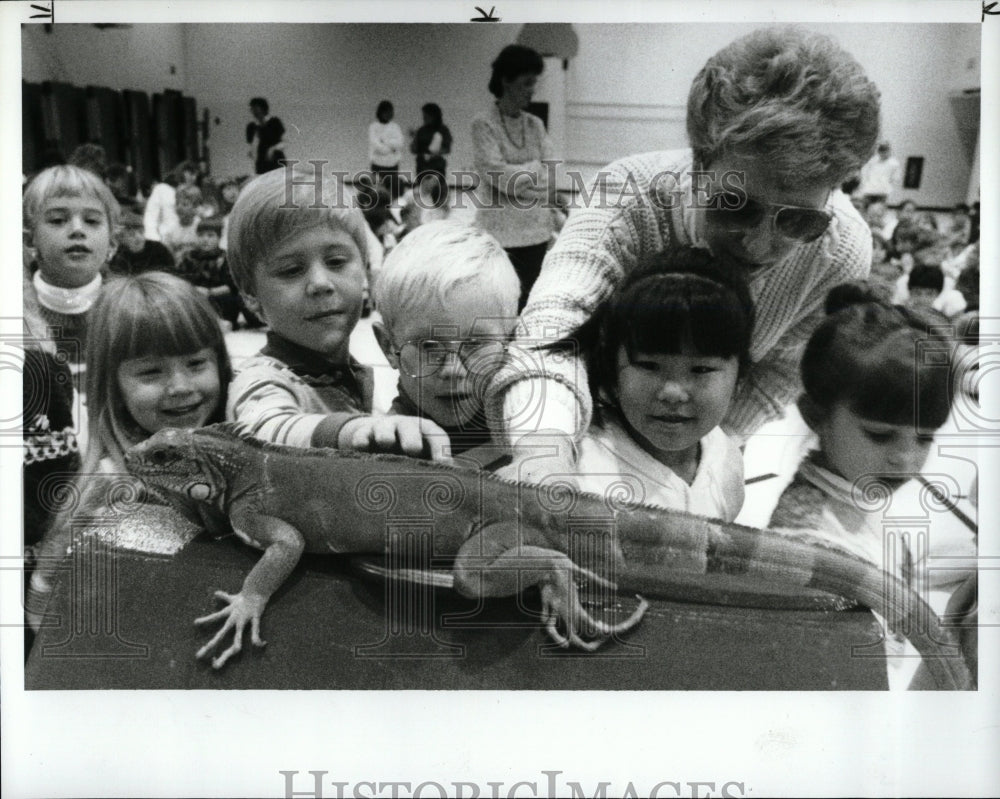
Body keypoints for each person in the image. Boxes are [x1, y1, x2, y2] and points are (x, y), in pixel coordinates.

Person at [487, 27, 881, 482]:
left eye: (797, 222)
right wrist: (546, 452)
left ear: (832, 193)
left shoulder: (842, 252)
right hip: (583, 435)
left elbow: (774, 377)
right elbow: (555, 329)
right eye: (734, 206)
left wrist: (704, 462)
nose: (757, 245)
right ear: (698, 167)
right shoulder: (624, 197)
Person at [26, 271, 232, 635]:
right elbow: (45, 612)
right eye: (151, 372)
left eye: (196, 363)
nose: (181, 387)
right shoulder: (109, 489)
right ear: (113, 387)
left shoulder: (231, 457)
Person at [225, 165, 449, 458]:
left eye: (336, 261)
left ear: (365, 270)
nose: (320, 283)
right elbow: (266, 428)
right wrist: (354, 431)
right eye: (292, 270)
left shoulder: (346, 374)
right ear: (251, 295)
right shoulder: (259, 380)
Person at [572, 247, 752, 522]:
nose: (672, 392)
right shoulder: (580, 467)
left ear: (739, 380)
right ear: (612, 369)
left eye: (701, 369)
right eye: (649, 365)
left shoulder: (726, 460)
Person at [373, 220, 519, 456]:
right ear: (389, 347)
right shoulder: (383, 453)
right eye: (429, 346)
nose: (452, 369)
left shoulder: (532, 434)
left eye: (474, 344)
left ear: (512, 340)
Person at [471, 44, 561, 312]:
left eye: (534, 82)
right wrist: (535, 169)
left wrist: (517, 180)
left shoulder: (535, 124)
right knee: (498, 310)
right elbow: (500, 178)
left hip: (536, 235)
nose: (532, 89)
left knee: (527, 310)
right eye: (526, 83)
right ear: (505, 81)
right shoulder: (483, 124)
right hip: (498, 238)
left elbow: (553, 175)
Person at [23, 164, 120, 368]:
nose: (77, 230)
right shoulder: (10, 318)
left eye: (92, 221)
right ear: (30, 240)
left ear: (112, 241)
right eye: (58, 220)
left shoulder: (135, 312)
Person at [175, 218, 242, 329]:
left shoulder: (226, 258)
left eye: (210, 236)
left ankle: (219, 322)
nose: (205, 239)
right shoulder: (188, 257)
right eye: (201, 235)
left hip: (218, 298)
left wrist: (210, 292)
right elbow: (180, 280)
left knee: (230, 299)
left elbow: (232, 285)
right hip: (194, 296)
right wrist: (195, 290)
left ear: (219, 238)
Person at [143, 160, 199, 243]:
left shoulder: (193, 191)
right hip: (164, 238)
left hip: (186, 236)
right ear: (181, 172)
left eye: (195, 175)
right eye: (191, 174)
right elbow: (151, 215)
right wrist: (153, 238)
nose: (193, 178)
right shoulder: (162, 189)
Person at [109, 209, 175, 276]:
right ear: (121, 238)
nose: (138, 237)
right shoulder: (119, 258)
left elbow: (172, 272)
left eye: (141, 232)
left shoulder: (158, 249)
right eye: (131, 234)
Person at [368, 100, 405, 198]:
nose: (388, 114)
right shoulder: (373, 127)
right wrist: (390, 147)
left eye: (390, 112)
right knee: (378, 190)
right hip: (377, 164)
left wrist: (384, 141)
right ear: (380, 112)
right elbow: (375, 144)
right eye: (386, 111)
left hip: (392, 165)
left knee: (393, 191)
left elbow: (400, 143)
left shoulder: (395, 127)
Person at [160, 184, 203, 262]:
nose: (179, 208)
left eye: (184, 204)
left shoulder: (201, 226)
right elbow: (167, 253)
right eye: (177, 203)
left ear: (195, 207)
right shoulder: (171, 228)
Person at [411, 102, 452, 182]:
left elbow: (447, 149)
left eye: (427, 115)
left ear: (434, 116)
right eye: (424, 115)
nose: (424, 117)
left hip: (437, 168)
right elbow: (414, 150)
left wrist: (434, 154)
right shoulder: (421, 130)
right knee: (422, 192)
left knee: (437, 191)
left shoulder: (443, 130)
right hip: (421, 168)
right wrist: (415, 138)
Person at [246, 97, 286, 175]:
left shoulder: (275, 122)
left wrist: (273, 149)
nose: (254, 111)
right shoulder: (251, 127)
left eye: (256, 108)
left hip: (277, 161)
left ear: (263, 108)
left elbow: (285, 142)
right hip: (261, 166)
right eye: (252, 109)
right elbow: (251, 149)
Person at [857, 140, 902, 204]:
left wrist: (888, 186)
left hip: (883, 191)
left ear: (889, 151)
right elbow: (864, 173)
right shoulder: (872, 161)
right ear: (879, 151)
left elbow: (895, 178)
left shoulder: (894, 164)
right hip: (869, 190)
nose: (883, 153)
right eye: (882, 151)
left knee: (879, 208)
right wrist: (864, 185)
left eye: (885, 150)